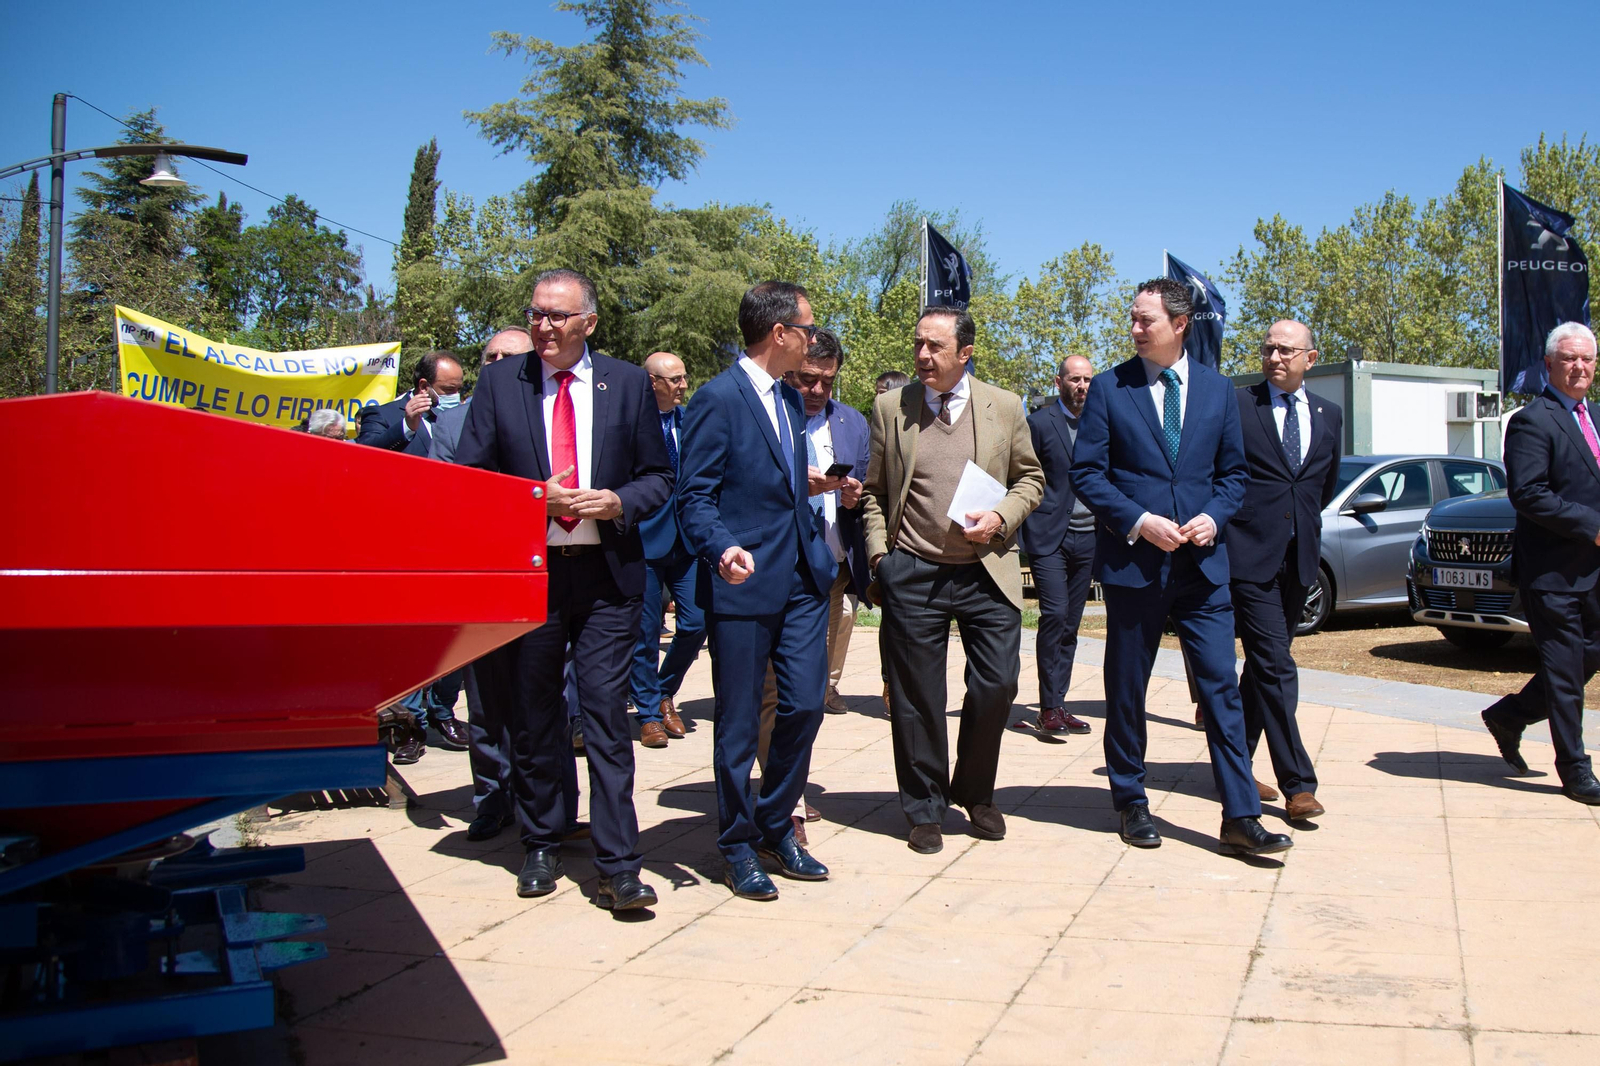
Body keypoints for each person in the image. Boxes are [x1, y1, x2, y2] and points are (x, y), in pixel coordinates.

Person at [457, 268, 673, 910]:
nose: (543, 326)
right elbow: (470, 477)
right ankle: (542, 842)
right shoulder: (500, 382)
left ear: (589, 323)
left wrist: (617, 501)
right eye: (536, 314)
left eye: (557, 315)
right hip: (534, 576)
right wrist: (532, 498)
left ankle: (619, 863)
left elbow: (659, 475)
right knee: (537, 714)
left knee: (607, 715)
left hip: (608, 579)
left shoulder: (628, 383)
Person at [1069, 278, 1291, 857]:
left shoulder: (1220, 393)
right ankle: (1130, 799)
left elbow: (1234, 477)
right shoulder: (1111, 390)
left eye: (1147, 320)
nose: (1136, 329)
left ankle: (1240, 815)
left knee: (1221, 688)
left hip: (1203, 570)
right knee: (1126, 686)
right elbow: (1087, 474)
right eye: (1134, 319)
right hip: (1135, 566)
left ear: (1180, 323)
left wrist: (1215, 518)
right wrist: (1140, 520)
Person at [862, 305, 1044, 855]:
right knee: (918, 699)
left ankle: (976, 791)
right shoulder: (891, 408)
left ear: (965, 353)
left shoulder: (1004, 406)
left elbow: (1031, 478)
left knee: (997, 687)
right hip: (912, 570)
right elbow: (873, 493)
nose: (922, 355)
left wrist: (1002, 517)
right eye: (918, 344)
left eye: (935, 347)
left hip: (986, 572)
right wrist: (879, 559)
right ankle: (924, 807)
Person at [677, 280, 837, 900]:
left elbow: (779, 483)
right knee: (740, 724)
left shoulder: (793, 401)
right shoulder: (718, 399)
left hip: (802, 579)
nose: (813, 339)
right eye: (808, 328)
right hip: (742, 582)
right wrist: (721, 548)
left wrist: (815, 489)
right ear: (780, 334)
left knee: (804, 705)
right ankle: (738, 844)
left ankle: (776, 823)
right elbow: (693, 496)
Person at [1228, 320, 1344, 822]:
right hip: (1249, 557)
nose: (1275, 357)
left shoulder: (1330, 415)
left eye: (1286, 350)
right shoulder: (1238, 406)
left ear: (1310, 358)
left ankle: (1233, 760)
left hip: (1300, 562)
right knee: (1276, 665)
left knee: (1263, 667)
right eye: (1268, 349)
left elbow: (1321, 486)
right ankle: (1298, 783)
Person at [1481, 322, 1600, 805]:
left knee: (1587, 658)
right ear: (1549, 364)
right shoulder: (1534, 420)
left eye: (1587, 359)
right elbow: (1528, 493)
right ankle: (1574, 768)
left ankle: (1511, 715)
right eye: (1569, 359)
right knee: (1566, 670)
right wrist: (1590, 525)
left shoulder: (1595, 418)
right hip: (1551, 573)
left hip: (1594, 572)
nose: (1579, 367)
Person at [629, 351, 705, 749]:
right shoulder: (629, 423)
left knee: (696, 623)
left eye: (683, 377)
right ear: (652, 382)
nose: (682, 386)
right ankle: (646, 715)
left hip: (686, 540)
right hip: (642, 541)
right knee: (643, 635)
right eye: (674, 380)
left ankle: (661, 692)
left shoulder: (688, 420)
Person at [1018, 355, 1097, 736]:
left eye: (1087, 380)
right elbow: (1022, 475)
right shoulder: (1039, 423)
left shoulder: (1100, 422)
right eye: (1074, 379)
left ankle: (1057, 704)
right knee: (1054, 614)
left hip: (1090, 536)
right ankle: (1047, 707)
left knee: (1071, 624)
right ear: (1058, 382)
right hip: (1050, 536)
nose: (1081, 386)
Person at [356, 350, 465, 451]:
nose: (456, 396)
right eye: (449, 389)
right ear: (423, 386)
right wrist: (406, 427)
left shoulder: (463, 419)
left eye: (459, 389)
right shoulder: (382, 414)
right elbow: (365, 453)